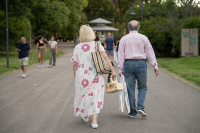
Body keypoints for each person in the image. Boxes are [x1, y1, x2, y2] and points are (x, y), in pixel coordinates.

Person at [70, 25, 117, 129]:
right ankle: (94, 121)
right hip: (95, 74)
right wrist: (112, 70)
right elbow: (105, 58)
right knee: (95, 95)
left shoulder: (78, 47)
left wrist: (75, 77)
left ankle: (86, 115)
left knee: (84, 95)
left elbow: (74, 64)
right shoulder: (97, 44)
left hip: (82, 75)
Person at [118, 20, 159, 118]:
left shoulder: (124, 39)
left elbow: (120, 54)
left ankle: (133, 112)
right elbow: (150, 52)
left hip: (128, 64)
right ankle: (140, 107)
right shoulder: (143, 38)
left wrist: (120, 68)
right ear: (138, 27)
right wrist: (155, 66)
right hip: (141, 63)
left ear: (128, 28)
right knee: (142, 86)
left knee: (130, 88)